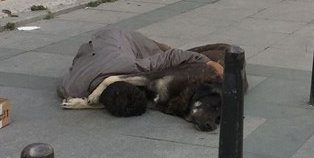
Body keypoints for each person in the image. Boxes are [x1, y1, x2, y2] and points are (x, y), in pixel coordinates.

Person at [57, 29, 222, 102]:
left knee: (157, 52)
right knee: (157, 60)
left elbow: (173, 56)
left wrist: (208, 62)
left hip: (122, 39)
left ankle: (161, 45)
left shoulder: (130, 66)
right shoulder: (70, 90)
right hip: (97, 47)